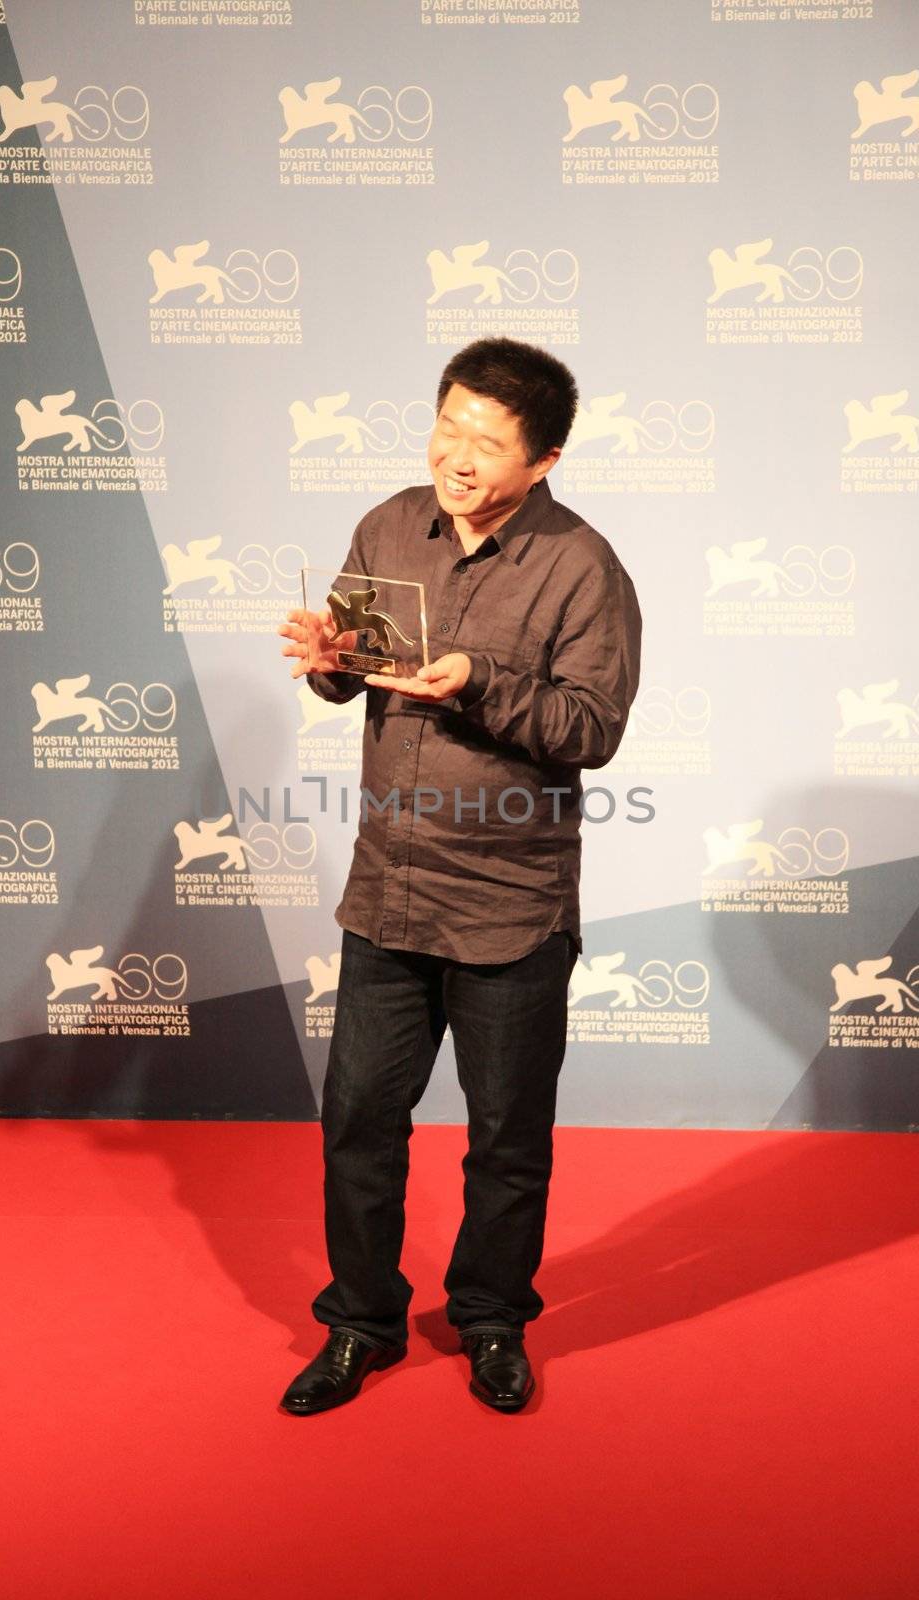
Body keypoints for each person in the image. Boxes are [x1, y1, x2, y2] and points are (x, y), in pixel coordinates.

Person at [276, 338, 641, 1414]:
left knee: (505, 1138)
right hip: (387, 888)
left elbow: (591, 726)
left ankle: (489, 1320)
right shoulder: (389, 524)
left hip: (510, 907)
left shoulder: (582, 567)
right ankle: (357, 1322)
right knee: (356, 1119)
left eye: (487, 440)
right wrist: (330, 660)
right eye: (447, 424)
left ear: (543, 458)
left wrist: (479, 683)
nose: (458, 454)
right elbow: (358, 671)